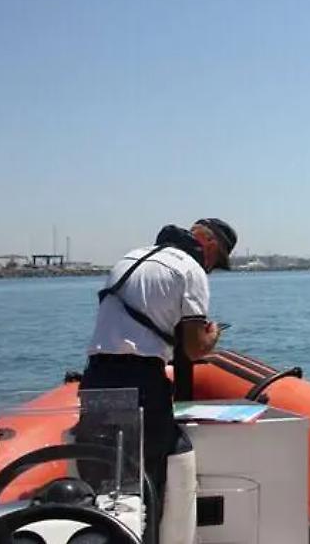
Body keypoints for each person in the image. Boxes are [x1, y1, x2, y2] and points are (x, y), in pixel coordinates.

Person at [80, 218, 236, 532]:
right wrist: (213, 335)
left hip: (96, 378)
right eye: (216, 262)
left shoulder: (130, 258)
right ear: (209, 245)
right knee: (148, 483)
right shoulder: (190, 270)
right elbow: (194, 349)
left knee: (104, 482)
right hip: (142, 382)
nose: (210, 269)